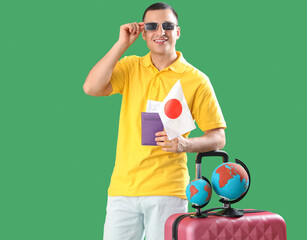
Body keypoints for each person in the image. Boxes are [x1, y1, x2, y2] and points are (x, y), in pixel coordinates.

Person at [83, 2, 226, 240]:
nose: (161, 32)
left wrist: (185, 145)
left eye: (168, 25)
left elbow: (218, 137)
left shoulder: (197, 80)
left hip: (168, 191)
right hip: (123, 189)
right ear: (144, 33)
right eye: (152, 26)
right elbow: (91, 87)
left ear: (178, 32)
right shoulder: (130, 67)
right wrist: (121, 44)